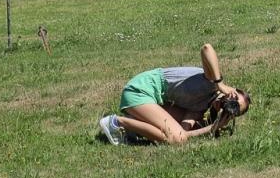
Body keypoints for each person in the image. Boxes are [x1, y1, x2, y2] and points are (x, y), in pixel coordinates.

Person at [98, 42, 250, 146]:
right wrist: (219, 83)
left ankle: (132, 125)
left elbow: (183, 131)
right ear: (234, 90)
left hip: (149, 96)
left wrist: (214, 126)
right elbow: (207, 48)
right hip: (140, 90)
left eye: (234, 107)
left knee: (177, 136)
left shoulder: (201, 107)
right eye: (235, 97)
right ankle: (116, 122)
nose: (230, 101)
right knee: (177, 138)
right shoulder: (211, 81)